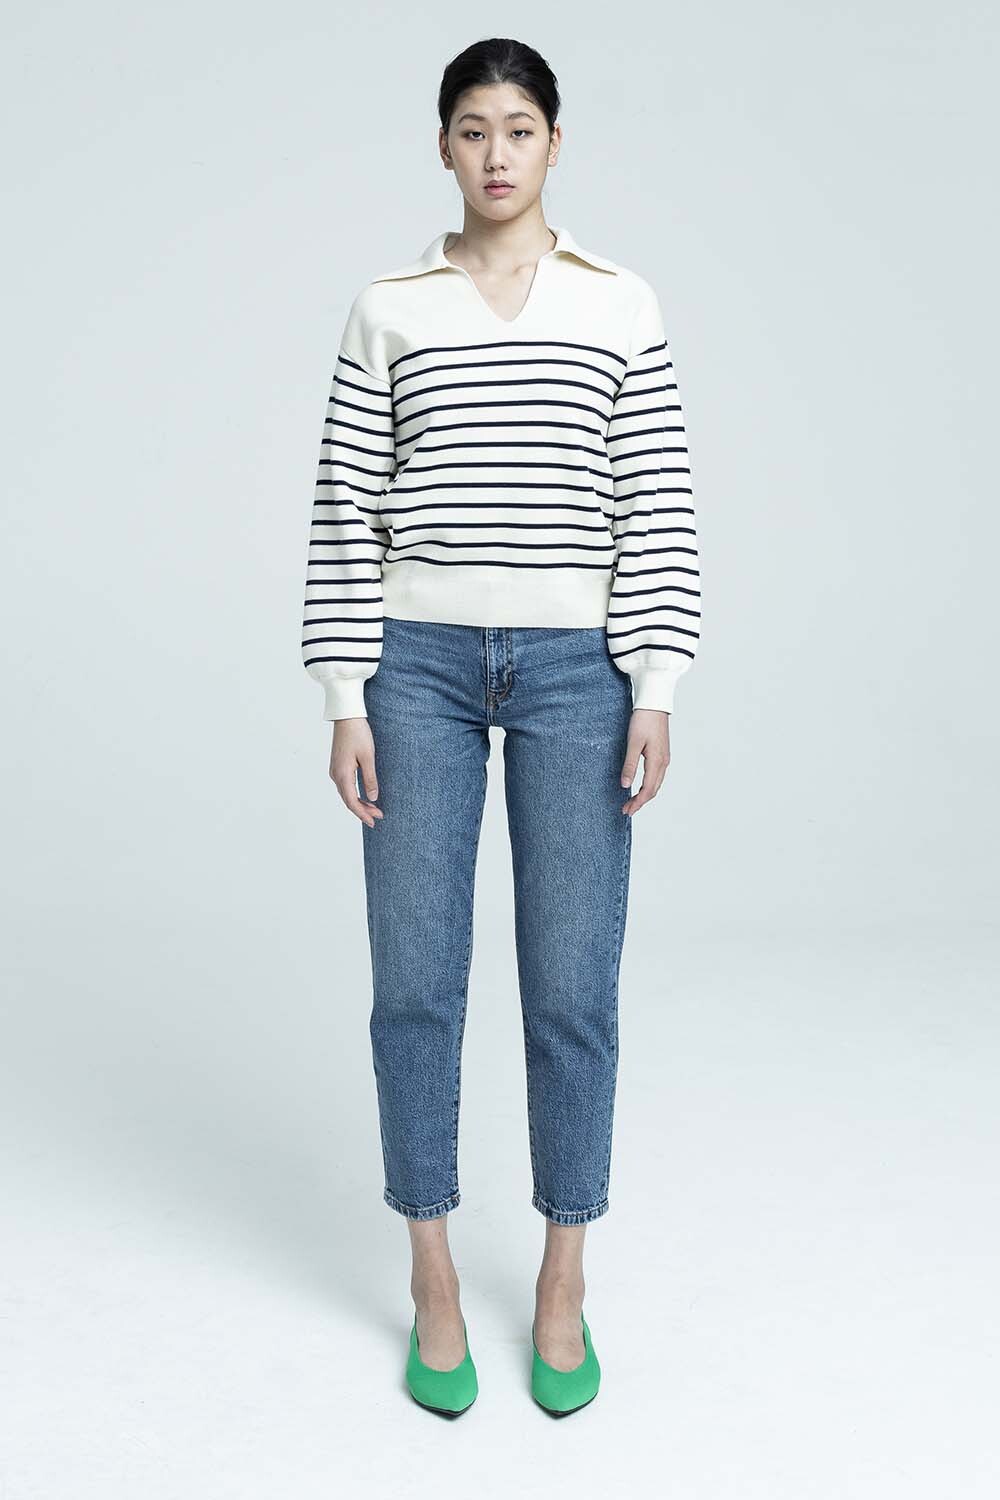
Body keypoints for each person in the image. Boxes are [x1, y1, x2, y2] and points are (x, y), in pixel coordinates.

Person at [300, 37, 700, 1416]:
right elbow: (346, 506)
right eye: (472, 129)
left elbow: (656, 502)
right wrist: (344, 693)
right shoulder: (389, 308)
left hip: (579, 674)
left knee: (571, 987)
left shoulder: (618, 305)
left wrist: (654, 683)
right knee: (415, 982)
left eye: (519, 128)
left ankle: (561, 1277)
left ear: (554, 144)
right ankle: (430, 1272)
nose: (496, 154)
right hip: (413, 669)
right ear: (444, 147)